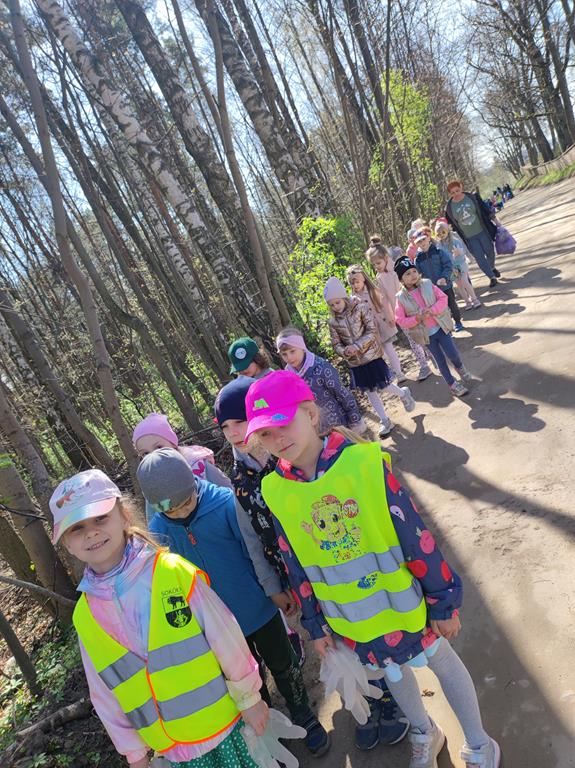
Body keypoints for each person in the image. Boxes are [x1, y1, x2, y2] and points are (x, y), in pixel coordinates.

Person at [243, 371, 501, 768]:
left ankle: (480, 743)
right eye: (265, 434)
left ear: (310, 414)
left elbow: (414, 534)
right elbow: (294, 563)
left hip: (405, 604)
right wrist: (315, 625)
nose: (277, 438)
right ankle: (424, 731)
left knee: (441, 660)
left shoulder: (363, 463)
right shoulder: (276, 490)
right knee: (392, 674)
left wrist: (442, 599)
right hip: (351, 618)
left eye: (283, 423)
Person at [50, 468, 271, 768]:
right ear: (66, 544)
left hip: (222, 728)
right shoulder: (85, 616)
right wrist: (134, 753)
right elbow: (104, 694)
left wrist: (250, 698)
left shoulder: (170, 571)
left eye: (100, 518)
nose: (91, 532)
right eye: (77, 528)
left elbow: (224, 634)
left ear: (124, 516)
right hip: (171, 751)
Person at [137, 448, 330, 758]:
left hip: (257, 608)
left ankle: (302, 713)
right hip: (218, 631)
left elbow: (255, 552)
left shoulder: (225, 503)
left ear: (193, 484)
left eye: (186, 503)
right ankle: (268, 730)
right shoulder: (158, 532)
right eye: (172, 511)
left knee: (283, 663)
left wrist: (273, 589)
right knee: (247, 681)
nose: (182, 513)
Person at [324, 276, 415, 438]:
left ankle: (403, 394)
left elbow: (372, 331)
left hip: (371, 356)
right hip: (356, 363)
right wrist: (344, 351)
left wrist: (357, 346)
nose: (335, 307)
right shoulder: (333, 322)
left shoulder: (360, 308)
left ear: (344, 298)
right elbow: (336, 344)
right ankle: (384, 420)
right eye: (331, 305)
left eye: (337, 302)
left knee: (383, 386)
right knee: (369, 392)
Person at [394, 257, 476, 397]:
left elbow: (443, 298)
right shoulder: (400, 298)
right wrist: (416, 318)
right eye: (407, 274)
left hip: (440, 327)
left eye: (414, 271)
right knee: (440, 361)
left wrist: (433, 310)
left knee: (453, 353)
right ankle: (452, 384)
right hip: (426, 335)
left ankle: (460, 367)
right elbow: (400, 320)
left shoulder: (427, 284)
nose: (413, 275)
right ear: (401, 280)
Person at [133, 412, 232, 524]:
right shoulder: (152, 482)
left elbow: (230, 493)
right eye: (145, 453)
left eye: (159, 447)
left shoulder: (198, 464)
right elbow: (153, 518)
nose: (154, 454)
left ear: (173, 443)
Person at [274, 327, 366, 433]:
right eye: (284, 354)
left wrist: (355, 420)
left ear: (302, 347)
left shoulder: (321, 367)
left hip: (340, 426)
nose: (289, 357)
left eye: (292, 351)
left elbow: (342, 393)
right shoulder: (288, 377)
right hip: (316, 431)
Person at [365, 236, 432, 382]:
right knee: (413, 340)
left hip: (413, 308)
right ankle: (424, 365)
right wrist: (391, 316)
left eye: (378, 263)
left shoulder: (398, 270)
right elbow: (384, 298)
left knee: (423, 334)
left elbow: (410, 285)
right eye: (374, 264)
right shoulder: (380, 277)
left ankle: (433, 357)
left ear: (386, 258)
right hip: (401, 315)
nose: (376, 266)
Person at [346, 263, 406, 383]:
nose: (355, 285)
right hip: (369, 331)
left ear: (363, 279)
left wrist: (390, 317)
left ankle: (399, 373)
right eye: (352, 283)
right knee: (381, 354)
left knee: (389, 349)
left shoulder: (373, 290)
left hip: (382, 324)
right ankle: (391, 374)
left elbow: (384, 305)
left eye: (357, 282)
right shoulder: (352, 299)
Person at [444, 180, 500, 287]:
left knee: (490, 251)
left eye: (457, 190)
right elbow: (450, 225)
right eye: (452, 193)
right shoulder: (449, 208)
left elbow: (485, 209)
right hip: (469, 237)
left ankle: (492, 267)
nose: (456, 194)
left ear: (461, 187)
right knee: (479, 257)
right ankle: (491, 277)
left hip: (482, 231)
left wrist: (495, 220)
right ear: (449, 194)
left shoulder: (472, 197)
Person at [413, 229, 465, 333]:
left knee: (451, 304)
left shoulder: (439, 251)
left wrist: (444, 277)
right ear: (416, 244)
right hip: (431, 290)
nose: (422, 243)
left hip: (445, 285)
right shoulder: (417, 259)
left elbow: (448, 265)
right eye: (419, 241)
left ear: (428, 238)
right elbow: (418, 275)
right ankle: (447, 328)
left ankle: (458, 322)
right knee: (438, 310)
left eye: (423, 239)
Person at [433, 220, 481, 311]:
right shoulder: (439, 245)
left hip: (461, 264)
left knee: (465, 282)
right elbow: (442, 256)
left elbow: (462, 251)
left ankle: (474, 299)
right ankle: (467, 301)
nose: (441, 235)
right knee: (459, 285)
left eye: (443, 232)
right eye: (438, 234)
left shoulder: (455, 240)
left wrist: (460, 253)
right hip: (452, 268)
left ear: (447, 230)